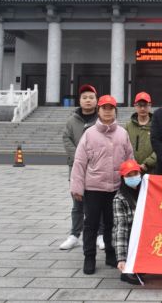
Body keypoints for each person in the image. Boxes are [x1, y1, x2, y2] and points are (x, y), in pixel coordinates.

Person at [70, 94, 134, 275]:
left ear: (115, 111)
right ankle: (89, 257)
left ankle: (111, 254)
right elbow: (79, 162)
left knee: (112, 224)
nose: (107, 111)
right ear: (98, 111)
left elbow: (130, 159)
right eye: (104, 108)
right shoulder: (89, 134)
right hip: (93, 188)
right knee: (90, 224)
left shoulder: (122, 133)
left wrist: (131, 184)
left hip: (116, 187)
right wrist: (77, 187)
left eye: (110, 108)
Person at [60, 84, 102, 251]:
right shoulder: (72, 120)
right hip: (76, 168)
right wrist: (79, 157)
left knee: (98, 203)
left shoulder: (101, 119)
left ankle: (100, 234)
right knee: (77, 203)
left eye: (91, 97)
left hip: (97, 168)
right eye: (85, 97)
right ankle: (75, 235)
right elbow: (66, 139)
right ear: (80, 100)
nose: (88, 100)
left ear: (96, 100)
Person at [113, 159, 145, 286]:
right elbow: (121, 229)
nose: (133, 177)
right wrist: (121, 258)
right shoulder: (119, 199)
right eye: (129, 175)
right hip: (130, 236)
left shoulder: (146, 191)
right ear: (123, 178)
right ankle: (127, 267)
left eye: (135, 173)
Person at [124, 92, 156, 174]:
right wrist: (133, 163)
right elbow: (124, 147)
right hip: (132, 171)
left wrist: (147, 163)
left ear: (150, 105)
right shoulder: (128, 126)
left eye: (145, 105)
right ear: (135, 106)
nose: (142, 108)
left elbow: (160, 147)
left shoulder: (157, 125)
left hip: (152, 170)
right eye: (139, 105)